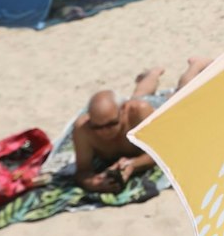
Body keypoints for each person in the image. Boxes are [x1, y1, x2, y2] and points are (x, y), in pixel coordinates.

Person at [74, 59, 212, 193]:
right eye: (98, 127)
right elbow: (82, 171)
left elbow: (160, 150)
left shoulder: (139, 112)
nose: (104, 131)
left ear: (123, 111)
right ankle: (153, 73)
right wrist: (94, 183)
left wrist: (133, 164)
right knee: (139, 95)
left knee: (181, 96)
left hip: (155, 110)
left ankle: (195, 65)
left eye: (111, 124)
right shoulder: (83, 129)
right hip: (133, 105)